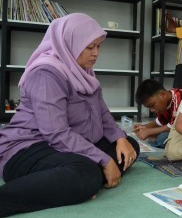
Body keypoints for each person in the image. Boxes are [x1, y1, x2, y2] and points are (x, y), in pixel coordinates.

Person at [0, 13, 139, 216]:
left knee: (129, 146)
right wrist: (104, 160)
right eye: (89, 47)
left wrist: (120, 138)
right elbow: (55, 133)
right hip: (28, 147)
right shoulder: (46, 74)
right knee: (86, 172)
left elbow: (103, 114)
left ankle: (69, 186)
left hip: (70, 145)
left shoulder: (85, 72)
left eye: (98, 46)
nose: (96, 54)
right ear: (69, 43)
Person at [133, 79, 182, 149]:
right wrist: (143, 127)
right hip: (178, 128)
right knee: (161, 136)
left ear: (162, 95)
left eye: (152, 105)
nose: (152, 110)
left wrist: (149, 132)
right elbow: (159, 121)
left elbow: (173, 126)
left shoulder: (178, 97)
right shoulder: (164, 103)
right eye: (149, 108)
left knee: (162, 138)